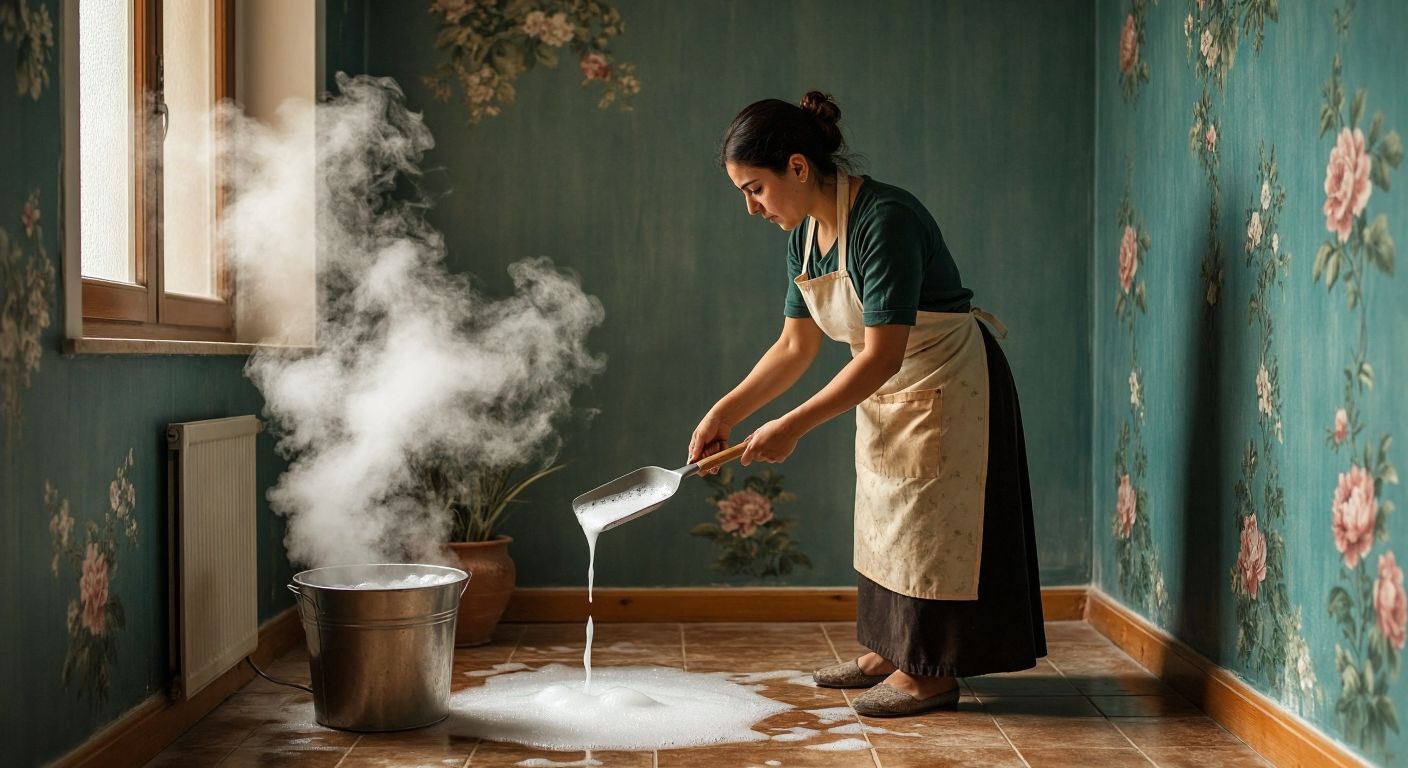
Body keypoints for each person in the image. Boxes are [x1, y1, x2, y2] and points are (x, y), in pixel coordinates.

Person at [687, 91, 1047, 717]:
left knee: (930, 532)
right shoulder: (802, 237)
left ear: (798, 168)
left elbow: (879, 354)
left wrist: (791, 426)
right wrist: (725, 413)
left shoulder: (884, 220)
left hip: (947, 383)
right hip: (886, 389)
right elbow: (794, 347)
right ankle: (890, 649)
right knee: (886, 522)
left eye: (755, 189)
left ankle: (929, 672)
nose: (751, 207)